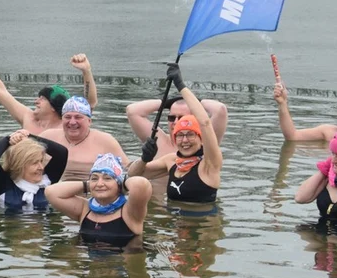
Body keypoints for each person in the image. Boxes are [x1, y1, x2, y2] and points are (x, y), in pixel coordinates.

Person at [0, 35, 98, 135]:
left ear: (54, 106)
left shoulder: (67, 125)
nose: (36, 101)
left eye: (42, 99)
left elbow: (89, 103)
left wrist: (86, 71)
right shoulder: (28, 118)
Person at [127, 63, 222, 204]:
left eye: (190, 134)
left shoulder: (209, 163)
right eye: (180, 135)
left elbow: (206, 123)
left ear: (201, 138)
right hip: (174, 223)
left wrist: (180, 85)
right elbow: (133, 175)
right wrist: (144, 159)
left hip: (203, 224)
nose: (184, 140)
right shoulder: (171, 161)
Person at [46, 153, 152, 248]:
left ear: (119, 184)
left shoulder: (129, 212)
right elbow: (51, 192)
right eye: (94, 178)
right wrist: (91, 186)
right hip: (92, 267)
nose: (100, 184)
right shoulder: (85, 208)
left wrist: (122, 185)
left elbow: (141, 185)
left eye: (107, 178)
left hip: (120, 266)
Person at [40, 96, 129, 181]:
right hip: (51, 188)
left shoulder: (105, 141)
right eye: (67, 117)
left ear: (89, 121)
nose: (72, 122)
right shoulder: (48, 137)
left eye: (78, 117)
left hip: (89, 190)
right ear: (62, 119)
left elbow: (127, 169)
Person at [0, 129, 68, 212]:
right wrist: (10, 139)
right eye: (34, 163)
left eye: (41, 161)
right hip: (11, 225)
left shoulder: (47, 180)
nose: (41, 167)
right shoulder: (3, 185)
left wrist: (30, 137)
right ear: (19, 165)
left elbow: (62, 152)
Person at [125, 95, 229, 158]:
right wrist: (167, 102)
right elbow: (132, 111)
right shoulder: (158, 140)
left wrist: (192, 100)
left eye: (181, 118)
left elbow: (220, 110)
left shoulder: (205, 142)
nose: (175, 122)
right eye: (171, 118)